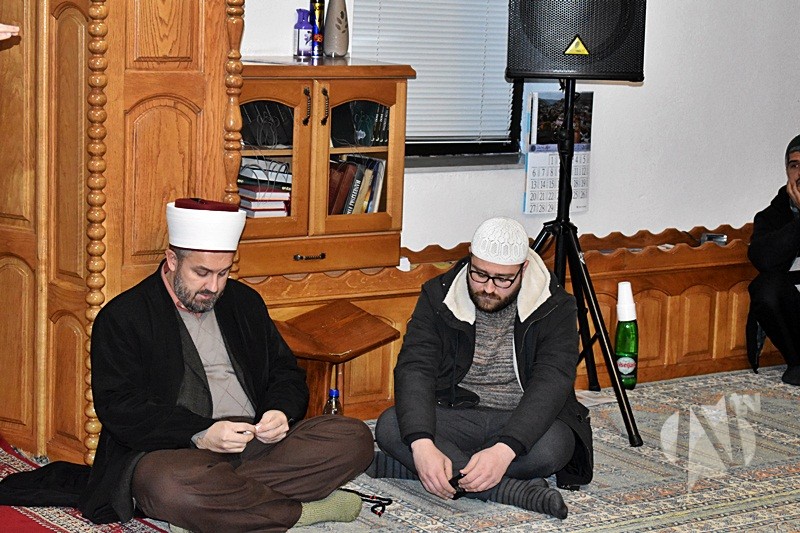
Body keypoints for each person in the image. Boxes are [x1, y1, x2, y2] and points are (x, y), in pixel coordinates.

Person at [80, 198, 374, 531]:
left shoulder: (243, 302)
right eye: (201, 273)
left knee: (354, 439)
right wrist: (200, 433)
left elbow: (285, 372)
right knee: (167, 486)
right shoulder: (124, 317)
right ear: (173, 260)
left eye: (223, 273)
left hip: (255, 440)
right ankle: (300, 511)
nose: (213, 286)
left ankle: (215, 505)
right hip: (178, 449)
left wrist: (279, 411)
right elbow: (119, 407)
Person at [370, 217, 593, 520]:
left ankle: (424, 469)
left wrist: (505, 450)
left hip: (519, 416)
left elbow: (552, 380)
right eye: (479, 274)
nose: (488, 288)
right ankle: (508, 490)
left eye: (503, 279)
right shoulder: (439, 295)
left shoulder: (555, 305)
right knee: (393, 425)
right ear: (470, 259)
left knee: (555, 447)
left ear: (524, 268)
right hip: (456, 413)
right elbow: (415, 368)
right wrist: (422, 445)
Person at [748, 134, 800, 386]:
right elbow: (763, 260)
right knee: (764, 287)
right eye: (794, 165)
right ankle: (797, 362)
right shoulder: (774, 214)